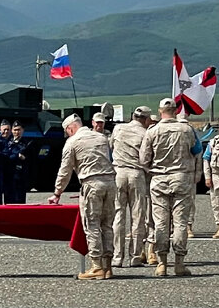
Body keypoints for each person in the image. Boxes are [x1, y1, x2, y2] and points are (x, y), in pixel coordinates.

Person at [50, 113, 117, 280]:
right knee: (107, 225)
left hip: (92, 184)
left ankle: (96, 266)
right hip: (110, 182)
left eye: (67, 131)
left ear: (71, 128)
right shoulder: (101, 138)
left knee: (92, 225)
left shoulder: (72, 142)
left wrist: (57, 193)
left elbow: (65, 171)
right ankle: (108, 266)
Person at [140, 97, 201, 277]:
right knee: (181, 222)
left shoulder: (152, 131)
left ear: (160, 112)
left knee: (160, 223)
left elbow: (143, 159)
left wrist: (153, 169)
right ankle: (180, 263)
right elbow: (197, 151)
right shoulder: (187, 130)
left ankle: (161, 263)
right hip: (181, 178)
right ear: (176, 110)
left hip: (159, 179)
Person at [110, 106, 151, 267]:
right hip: (136, 173)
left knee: (118, 215)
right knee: (138, 216)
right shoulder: (146, 133)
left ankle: (117, 256)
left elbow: (112, 146)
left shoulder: (118, 128)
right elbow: (147, 156)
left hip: (118, 171)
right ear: (146, 119)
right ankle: (134, 256)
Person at [3, 121, 32, 204]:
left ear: (23, 130)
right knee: (8, 200)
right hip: (9, 175)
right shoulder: (7, 142)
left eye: (19, 130)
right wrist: (17, 155)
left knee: (20, 200)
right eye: (15, 130)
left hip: (20, 174)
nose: (17, 132)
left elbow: (29, 159)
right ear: (12, 130)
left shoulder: (27, 143)